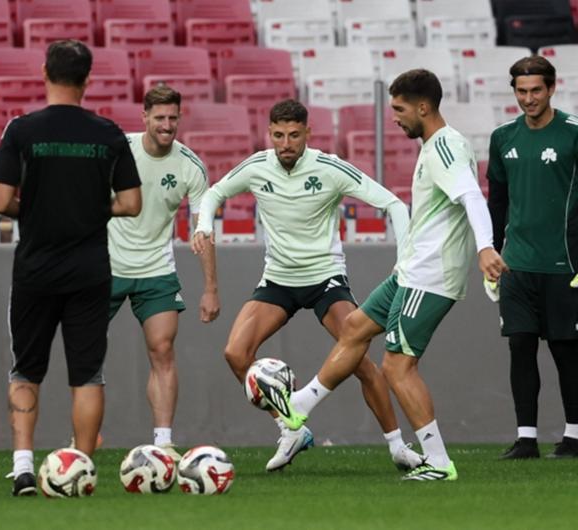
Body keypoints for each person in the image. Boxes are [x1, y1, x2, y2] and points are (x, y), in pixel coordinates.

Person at [257, 70, 508, 481]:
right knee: (354, 328)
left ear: (423, 107)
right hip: (410, 270)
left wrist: (485, 247)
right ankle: (299, 406)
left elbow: (471, 197)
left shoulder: (445, 146)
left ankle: (438, 462)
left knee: (397, 367)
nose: (394, 117)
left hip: (429, 276)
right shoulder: (434, 145)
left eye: (399, 109)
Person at [192, 99, 422, 472]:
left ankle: (398, 446)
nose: (286, 143)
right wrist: (204, 225)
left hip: (325, 278)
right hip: (278, 280)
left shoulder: (330, 168)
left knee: (360, 361)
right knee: (236, 353)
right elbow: (213, 193)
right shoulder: (256, 167)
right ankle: (291, 428)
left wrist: (405, 259)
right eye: (278, 135)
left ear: (307, 133)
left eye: (294, 135)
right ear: (269, 133)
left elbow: (394, 204)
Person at [0, 40, 142, 496]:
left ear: (44, 73)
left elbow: (0, 200)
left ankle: (22, 467)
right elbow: (132, 203)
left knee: (26, 370)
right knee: (87, 374)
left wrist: (39, 210)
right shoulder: (109, 134)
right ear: (87, 80)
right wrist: (92, 209)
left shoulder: (22, 130)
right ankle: (81, 468)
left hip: (35, 269)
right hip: (89, 270)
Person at [107, 85, 220, 461]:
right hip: (106, 266)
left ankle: (163, 441)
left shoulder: (190, 166)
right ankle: (83, 438)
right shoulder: (119, 150)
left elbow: (203, 229)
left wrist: (210, 288)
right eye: (159, 118)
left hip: (156, 269)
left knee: (162, 350)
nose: (167, 125)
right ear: (144, 117)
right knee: (86, 352)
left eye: (173, 118)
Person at [487, 56, 578, 459]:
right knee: (520, 345)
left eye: (536, 90)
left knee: (566, 350)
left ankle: (574, 436)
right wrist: (491, 251)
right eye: (521, 91)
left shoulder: (574, 134)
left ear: (552, 88)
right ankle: (526, 439)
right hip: (517, 265)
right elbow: (497, 202)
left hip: (565, 265)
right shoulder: (502, 138)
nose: (528, 98)